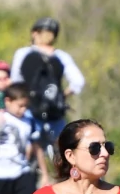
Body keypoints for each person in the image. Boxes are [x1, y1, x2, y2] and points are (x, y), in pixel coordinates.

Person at [10, 17, 86, 163]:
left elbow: (16, 82)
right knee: (64, 152)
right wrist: (61, 96)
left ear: (34, 33)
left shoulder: (23, 53)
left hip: (30, 111)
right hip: (55, 113)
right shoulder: (62, 56)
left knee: (28, 153)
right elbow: (78, 82)